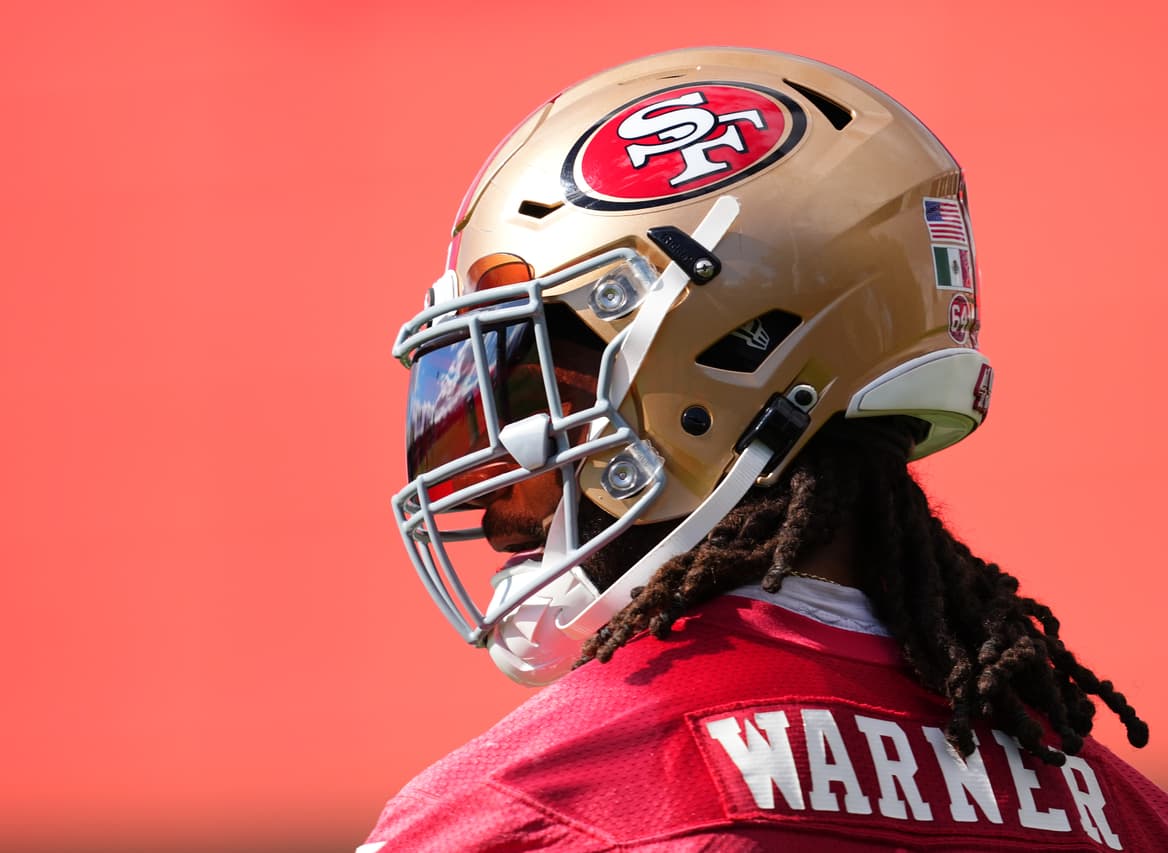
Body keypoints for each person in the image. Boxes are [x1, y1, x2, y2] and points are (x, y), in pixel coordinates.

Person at [362, 47, 1168, 851]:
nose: (492, 502)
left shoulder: (528, 810)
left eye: (536, 394)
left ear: (732, 360)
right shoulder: (1125, 813)